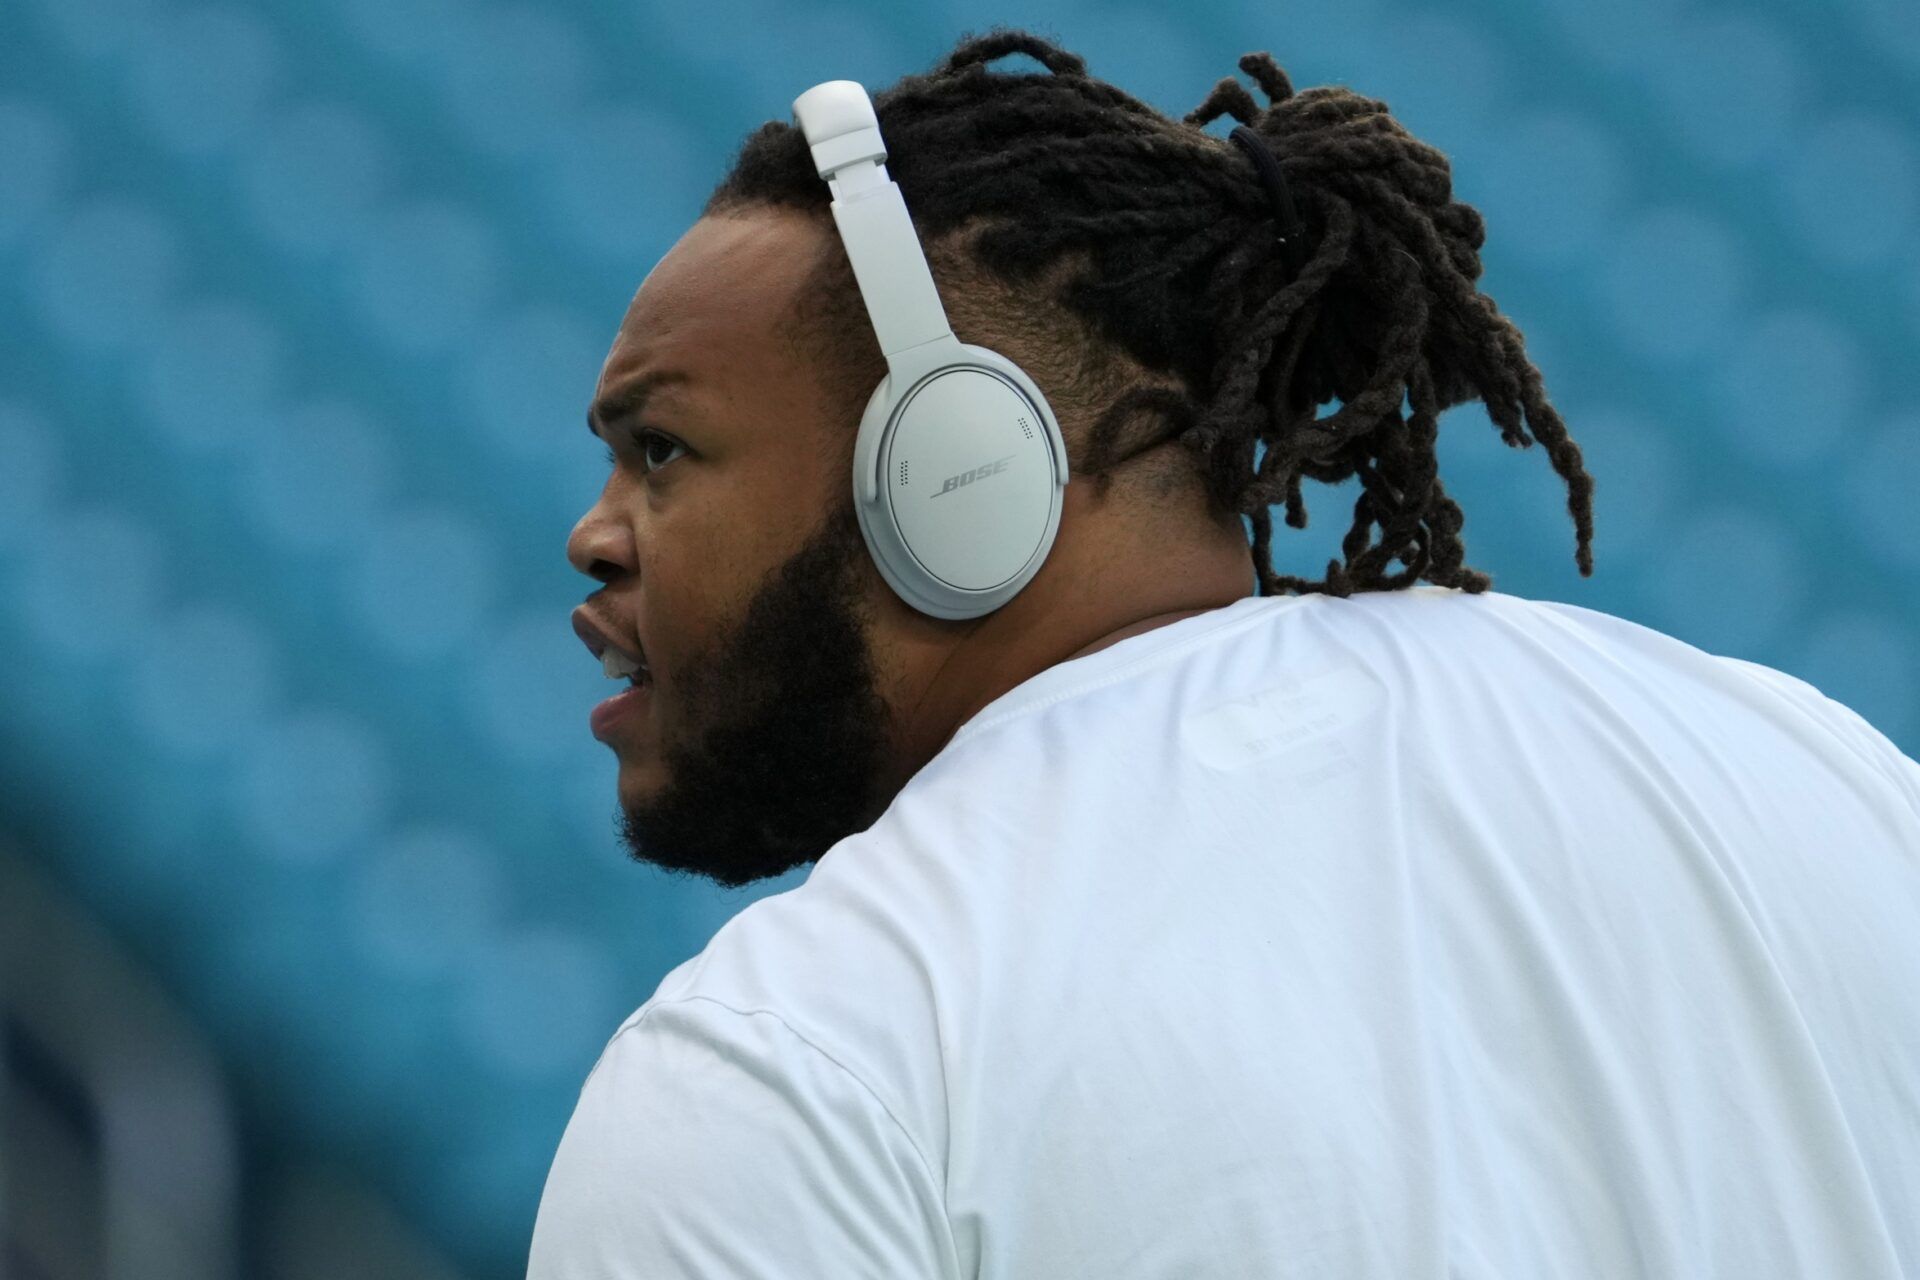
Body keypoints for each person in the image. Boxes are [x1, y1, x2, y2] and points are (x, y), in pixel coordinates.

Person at [530, 27, 1920, 1278]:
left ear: (958, 463)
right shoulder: (1807, 766)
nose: (596, 536)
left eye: (662, 450)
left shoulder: (795, 1067)